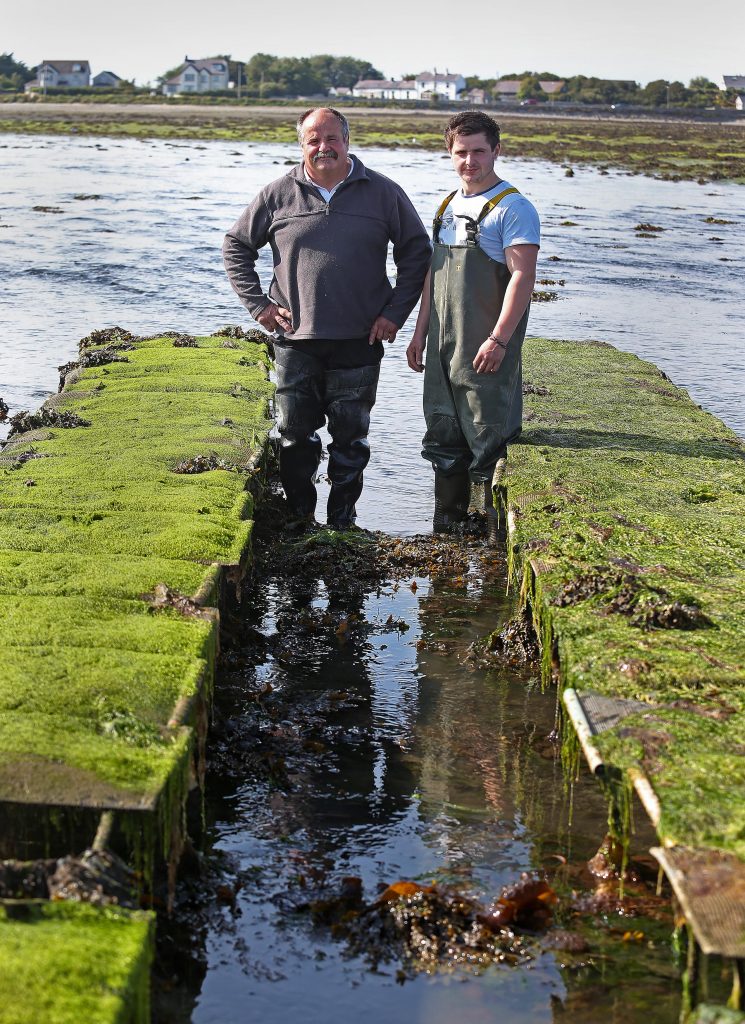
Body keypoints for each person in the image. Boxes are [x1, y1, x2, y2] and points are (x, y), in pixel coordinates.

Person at [223, 107, 431, 530]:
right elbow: (235, 246)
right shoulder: (278, 194)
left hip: (360, 339)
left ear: (347, 141)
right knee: (295, 436)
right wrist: (259, 306)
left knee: (350, 440)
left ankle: (341, 522)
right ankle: (300, 519)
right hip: (295, 338)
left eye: (331, 138)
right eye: (313, 140)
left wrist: (394, 314)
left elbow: (417, 253)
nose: (323, 148)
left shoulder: (383, 193)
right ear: (301, 145)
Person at [406, 111, 540, 543]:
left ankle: (494, 540)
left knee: (488, 439)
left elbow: (523, 277)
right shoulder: (447, 205)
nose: (470, 161)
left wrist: (499, 339)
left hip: (484, 343)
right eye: (461, 152)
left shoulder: (513, 208)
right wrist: (420, 330)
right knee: (444, 433)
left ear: (496, 150)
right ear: (449, 152)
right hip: (443, 348)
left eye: (479, 151)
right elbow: (433, 273)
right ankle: (447, 529)